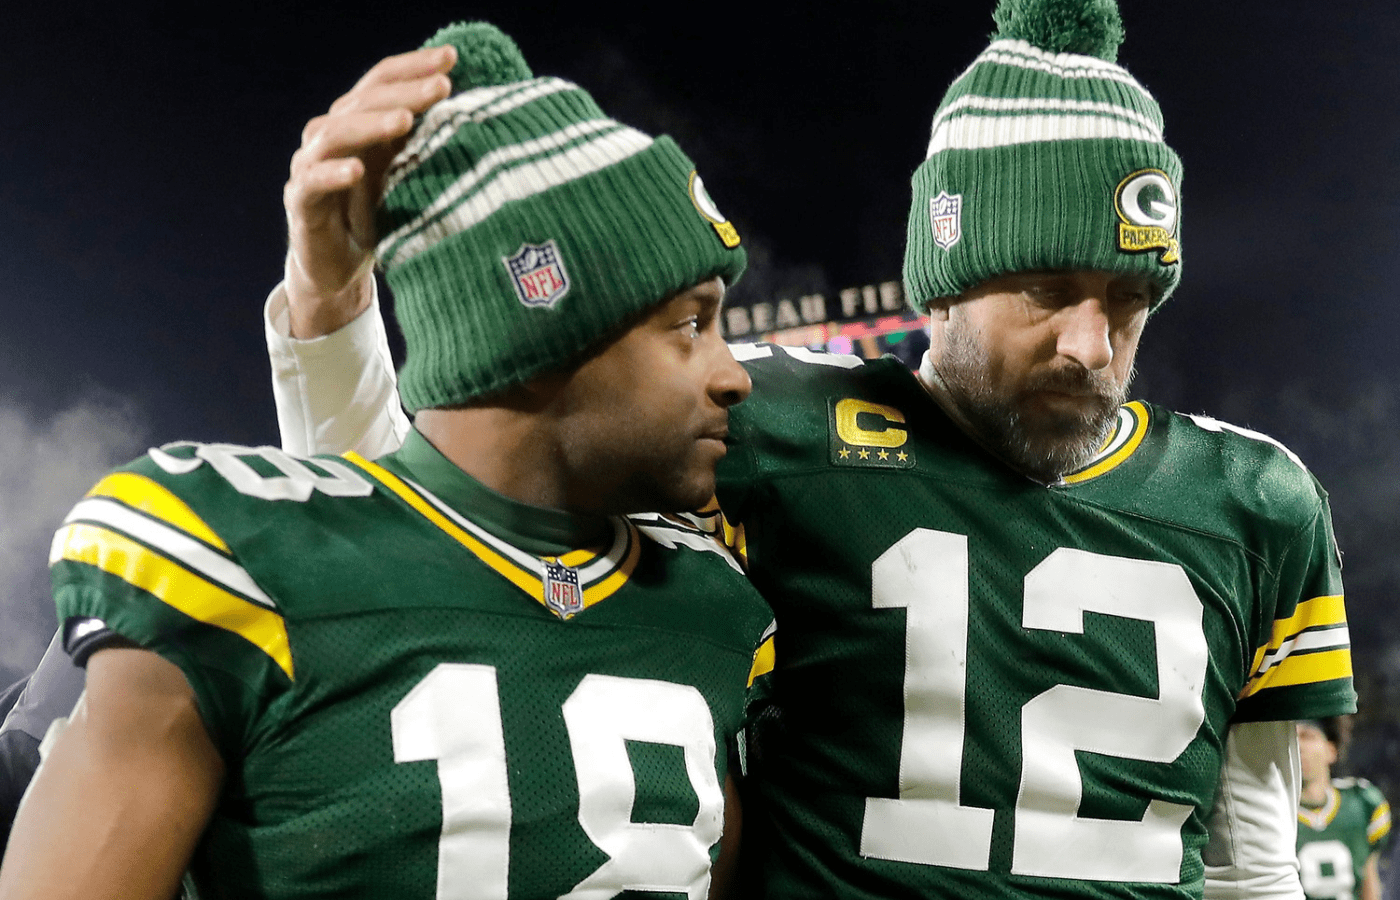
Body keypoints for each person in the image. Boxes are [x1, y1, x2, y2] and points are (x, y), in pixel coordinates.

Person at [262, 0, 1358, 897]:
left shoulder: (1253, 500)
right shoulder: (771, 432)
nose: (1090, 344)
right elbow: (432, 542)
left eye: (1128, 299)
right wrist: (328, 302)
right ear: (943, 271)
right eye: (1045, 287)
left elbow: (1244, 866)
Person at [0, 22, 775, 900]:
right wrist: (327, 303)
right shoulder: (237, 566)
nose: (735, 374)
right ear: (544, 319)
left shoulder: (714, 609)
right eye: (690, 322)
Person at [1296, 718, 1392, 900]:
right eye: (1291, 739)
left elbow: (1369, 883)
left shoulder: (1362, 802)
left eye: (1307, 736)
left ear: (1331, 750)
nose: (1299, 747)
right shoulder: (1270, 813)